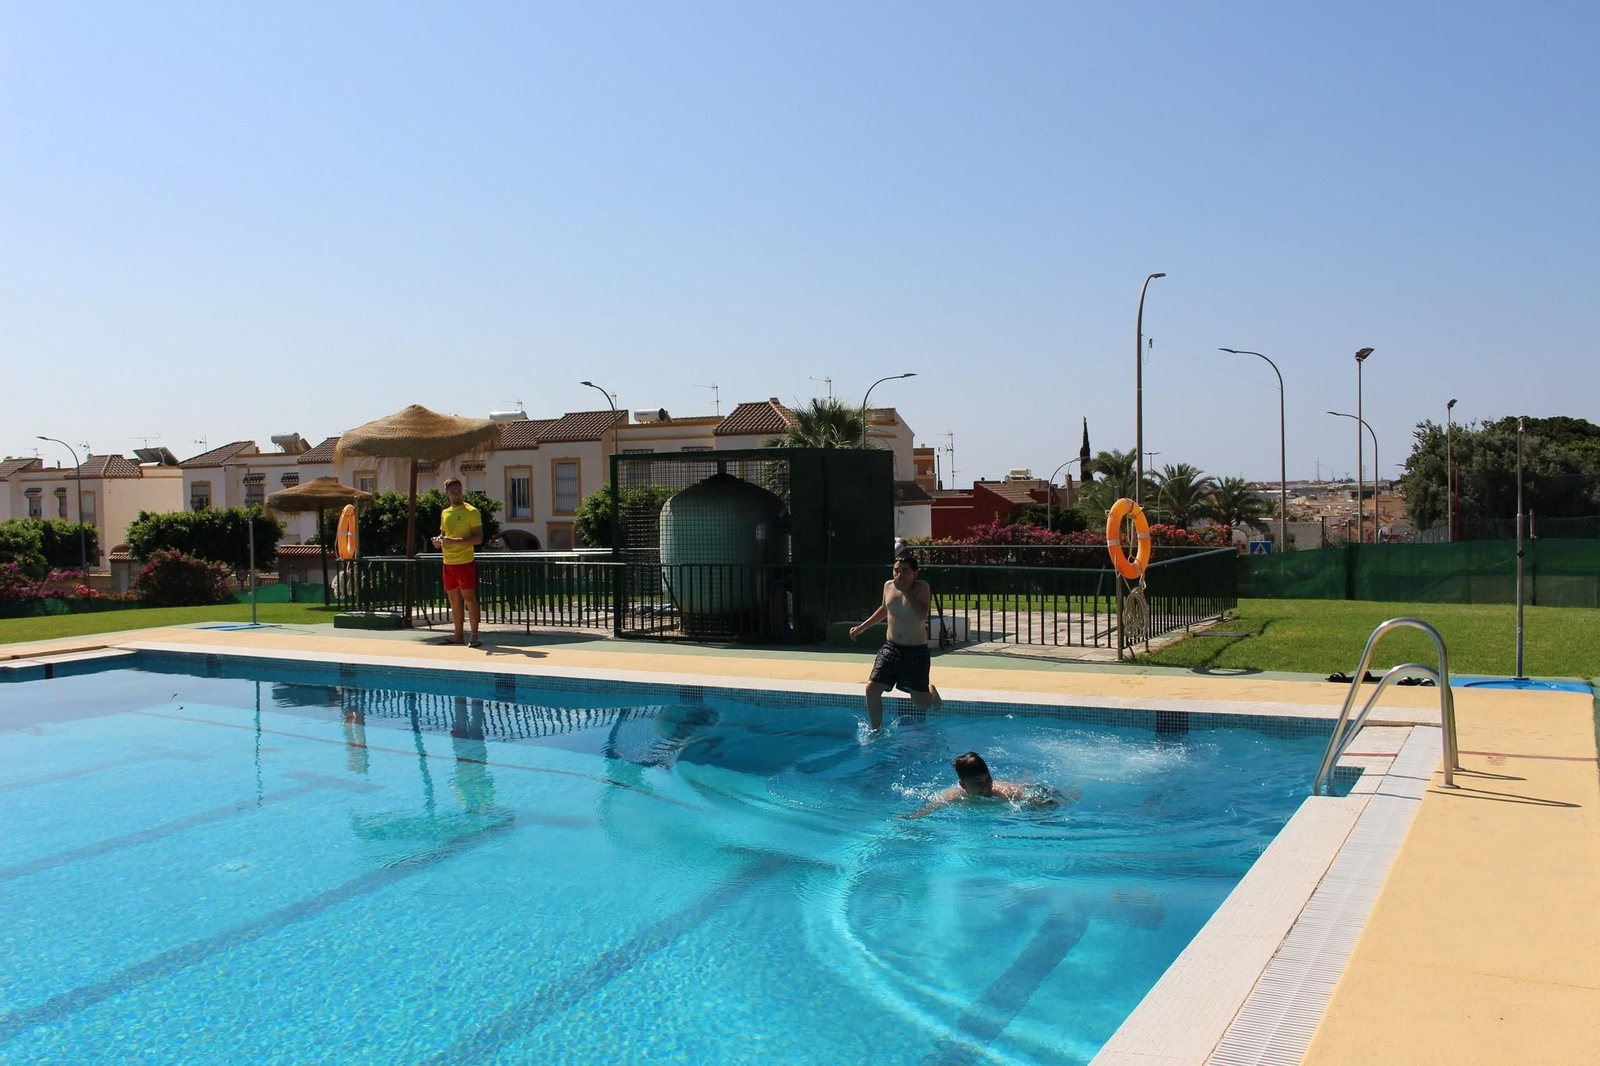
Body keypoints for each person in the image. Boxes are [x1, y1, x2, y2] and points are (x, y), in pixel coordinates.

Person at [850, 550, 941, 730]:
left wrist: (905, 591)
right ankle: (876, 731)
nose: (900, 575)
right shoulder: (888, 586)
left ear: (916, 573)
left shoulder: (922, 587)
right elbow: (885, 609)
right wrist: (862, 627)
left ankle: (932, 693)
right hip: (891, 648)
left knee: (921, 704)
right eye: (896, 570)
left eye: (905, 571)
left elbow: (922, 615)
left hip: (916, 651)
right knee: (871, 689)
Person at [903, 751, 1044, 819]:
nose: (986, 786)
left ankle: (1026, 777)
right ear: (963, 785)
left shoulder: (1005, 793)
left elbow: (1034, 802)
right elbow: (930, 809)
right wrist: (912, 817)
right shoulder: (954, 796)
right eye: (978, 783)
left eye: (988, 779)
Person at [431, 476, 483, 647]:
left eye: (459, 491)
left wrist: (457, 541)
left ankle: (474, 635)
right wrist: (438, 541)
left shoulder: (471, 512)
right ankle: (458, 635)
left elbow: (478, 538)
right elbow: (444, 535)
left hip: (464, 562)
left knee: (469, 597)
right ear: (446, 493)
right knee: (453, 599)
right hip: (448, 562)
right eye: (453, 492)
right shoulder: (445, 513)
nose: (456, 495)